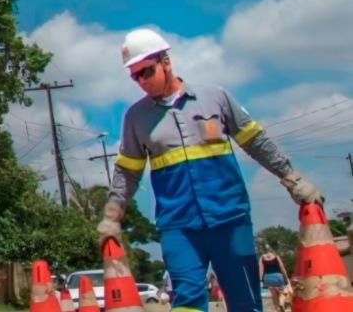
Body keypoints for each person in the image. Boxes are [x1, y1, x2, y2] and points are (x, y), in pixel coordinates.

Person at [98, 28, 322, 312]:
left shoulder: (214, 97)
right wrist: (112, 214)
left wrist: (292, 177)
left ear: (166, 62)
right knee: (188, 302)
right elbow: (127, 172)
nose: (141, 81)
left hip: (230, 219)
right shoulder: (136, 118)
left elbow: (255, 141)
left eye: (147, 71)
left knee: (246, 302)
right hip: (178, 227)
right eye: (135, 75)